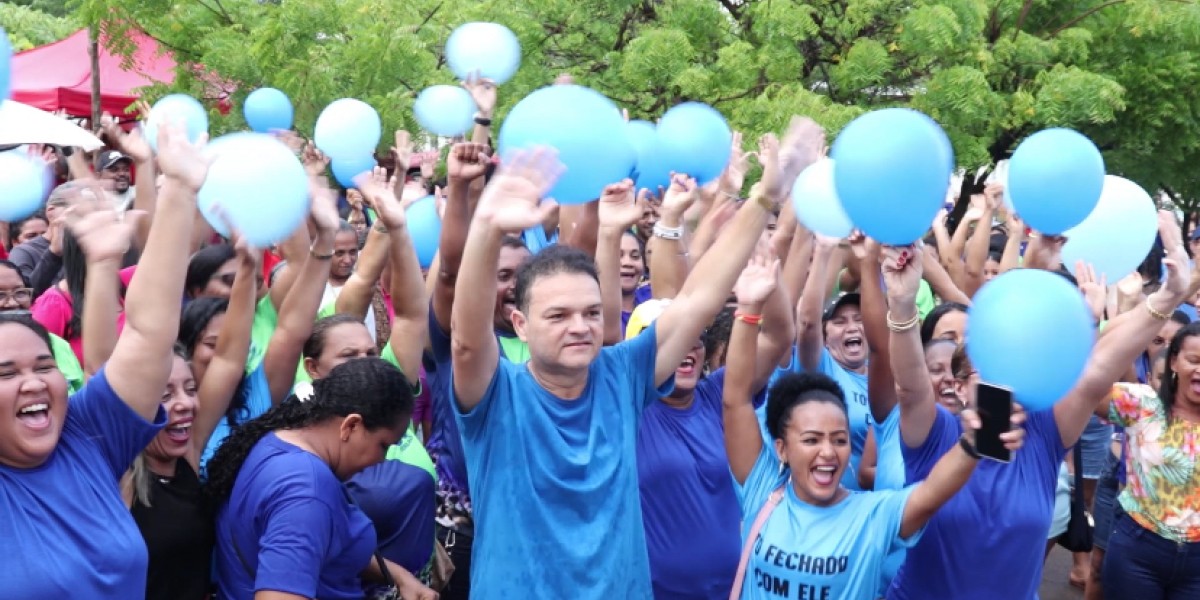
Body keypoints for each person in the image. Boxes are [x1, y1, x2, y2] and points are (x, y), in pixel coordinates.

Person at [450, 118, 821, 598]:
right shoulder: (496, 395)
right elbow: (465, 339)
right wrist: (486, 226)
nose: (580, 326)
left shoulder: (621, 375)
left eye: (589, 312)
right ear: (520, 325)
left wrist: (766, 197)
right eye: (558, 315)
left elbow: (698, 299)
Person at [886, 214, 1193, 600]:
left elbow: (1097, 371)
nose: (1001, 375)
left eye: (1009, 363)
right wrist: (900, 304)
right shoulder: (932, 436)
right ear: (959, 386)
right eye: (986, 367)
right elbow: (910, 386)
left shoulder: (1045, 433)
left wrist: (1166, 298)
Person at [0, 124, 209, 597]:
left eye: (43, 366)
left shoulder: (86, 435)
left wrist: (178, 190)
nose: (32, 382)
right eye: (6, 373)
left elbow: (149, 335)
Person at [207, 358, 435, 600]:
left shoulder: (277, 441)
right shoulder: (307, 494)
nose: (382, 461)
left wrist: (399, 576)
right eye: (383, 445)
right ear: (351, 426)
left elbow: (314, 545)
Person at [1098, 321, 1200, 597]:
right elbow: (1086, 385)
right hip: (1138, 552)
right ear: (1174, 361)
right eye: (1194, 360)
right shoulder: (1142, 404)